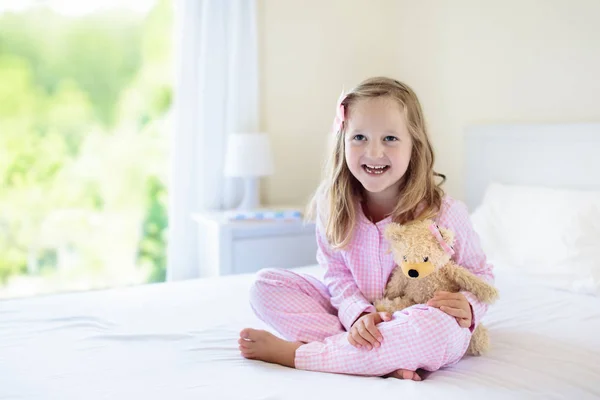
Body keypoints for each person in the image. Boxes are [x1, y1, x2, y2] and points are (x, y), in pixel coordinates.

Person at [237, 77, 494, 381]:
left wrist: (469, 305)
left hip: (420, 320)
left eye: (389, 139)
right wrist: (358, 315)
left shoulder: (445, 213)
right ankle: (379, 358)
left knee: (438, 331)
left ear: (415, 145)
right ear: (342, 141)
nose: (373, 152)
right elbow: (336, 275)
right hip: (357, 319)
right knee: (264, 287)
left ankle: (300, 355)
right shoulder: (332, 205)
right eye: (359, 137)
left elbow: (481, 276)